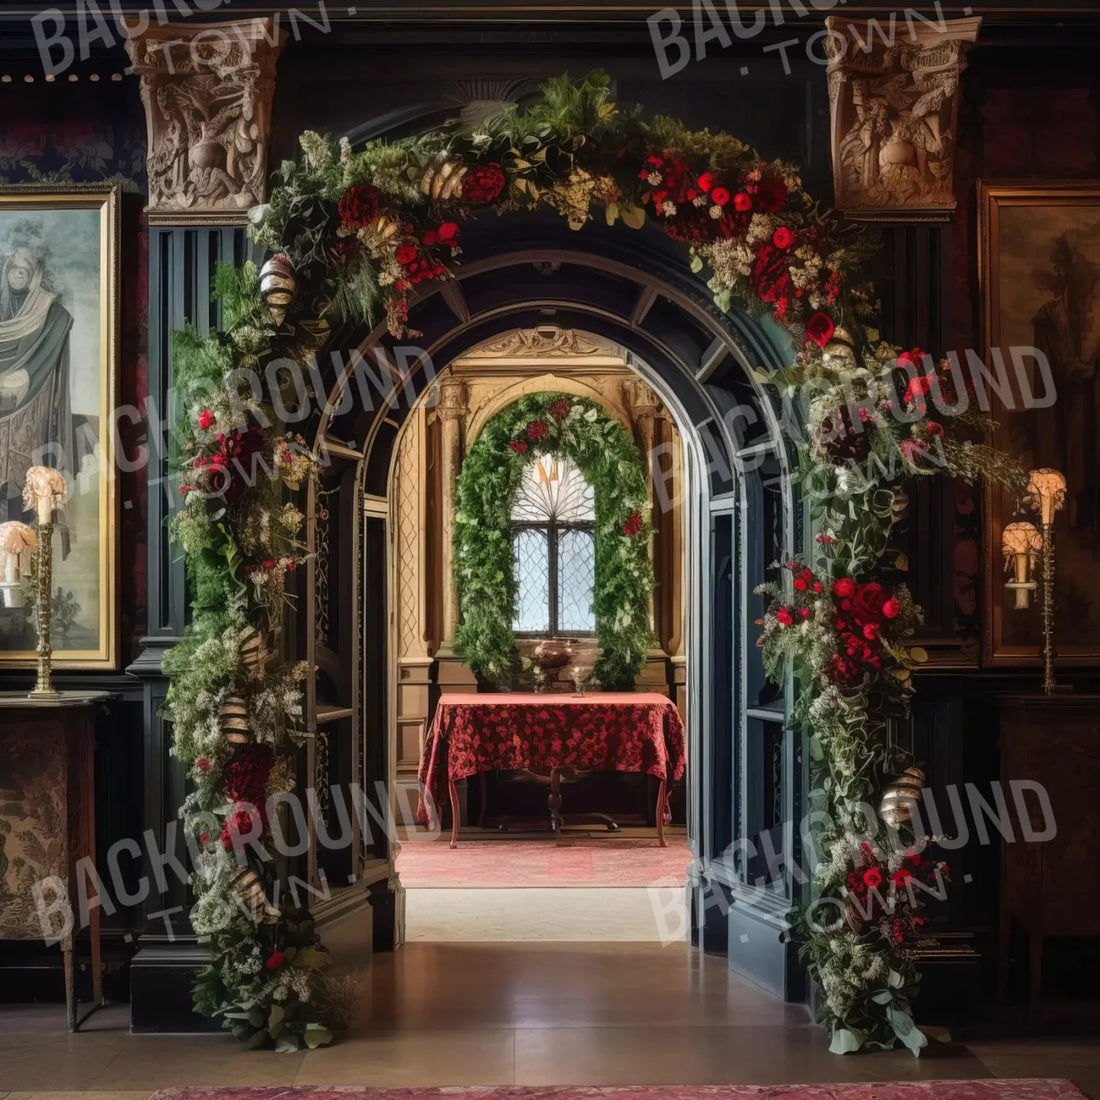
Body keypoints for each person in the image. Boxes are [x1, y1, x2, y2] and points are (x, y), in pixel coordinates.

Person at [0, 246, 74, 529]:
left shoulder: (46, 311)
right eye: (14, 268)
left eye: (24, 270)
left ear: (33, 276)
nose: (18, 275)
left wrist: (25, 374)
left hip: (28, 413)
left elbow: (58, 324)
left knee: (22, 492)